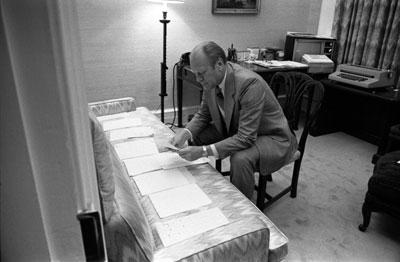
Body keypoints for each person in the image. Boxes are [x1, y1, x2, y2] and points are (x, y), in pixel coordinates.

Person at [171, 41, 297, 200]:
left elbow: (246, 138)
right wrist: (185, 133)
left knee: (240, 158)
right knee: (196, 136)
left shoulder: (249, 83)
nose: (198, 79)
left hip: (272, 137)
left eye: (201, 74)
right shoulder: (211, 80)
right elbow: (204, 115)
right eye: (195, 74)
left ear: (219, 64)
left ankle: (242, 210)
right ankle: (196, 190)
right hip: (239, 128)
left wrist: (203, 151)